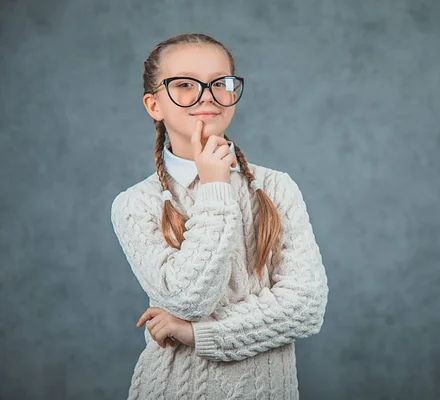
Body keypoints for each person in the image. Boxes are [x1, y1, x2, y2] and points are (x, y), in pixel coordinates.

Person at [110, 32, 329, 399]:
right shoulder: (134, 204)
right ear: (154, 106)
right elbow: (190, 299)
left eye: (219, 83)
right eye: (184, 84)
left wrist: (196, 333)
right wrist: (214, 187)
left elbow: (306, 307)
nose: (207, 96)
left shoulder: (277, 188)